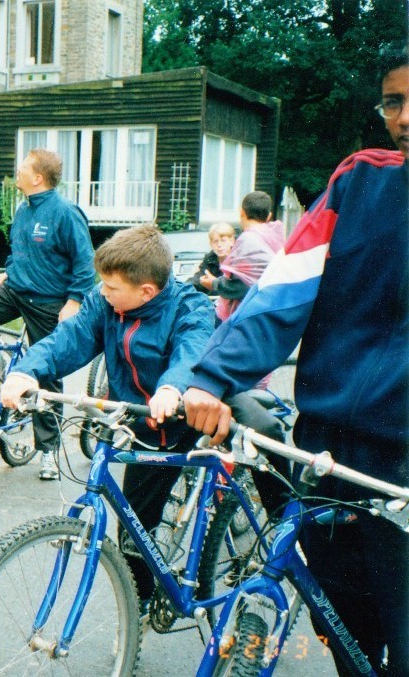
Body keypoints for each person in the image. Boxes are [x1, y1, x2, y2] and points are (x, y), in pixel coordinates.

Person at [183, 44, 409, 676]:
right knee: (345, 631)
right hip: (326, 450)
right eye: (393, 101)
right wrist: (211, 377)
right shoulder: (356, 183)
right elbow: (281, 293)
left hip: (403, 469)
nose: (405, 117)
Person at [0, 224, 215, 608]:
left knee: (243, 447)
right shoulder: (106, 304)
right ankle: (140, 606)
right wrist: (25, 372)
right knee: (135, 529)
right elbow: (69, 338)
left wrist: (171, 388)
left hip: (184, 420)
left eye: (112, 287)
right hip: (141, 424)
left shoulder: (190, 306)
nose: (103, 292)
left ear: (146, 291)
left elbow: (192, 350)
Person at [0, 148, 96, 480]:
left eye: (23, 167)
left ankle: (48, 451)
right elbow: (21, 251)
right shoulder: (23, 209)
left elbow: (85, 262)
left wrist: (74, 302)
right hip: (14, 291)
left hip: (47, 301)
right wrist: (10, 271)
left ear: (37, 178)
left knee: (45, 372)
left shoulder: (65, 213)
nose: (17, 170)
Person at [199, 191, 285, 322]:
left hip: (247, 317)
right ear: (269, 216)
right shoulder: (276, 236)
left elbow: (242, 286)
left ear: (242, 212)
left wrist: (214, 283)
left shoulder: (248, 239)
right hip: (270, 310)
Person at [186, 221, 236, 293]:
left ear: (232, 241)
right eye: (215, 241)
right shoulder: (210, 258)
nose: (219, 245)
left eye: (223, 241)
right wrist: (184, 288)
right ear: (210, 244)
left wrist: (215, 283)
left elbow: (237, 286)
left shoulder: (239, 259)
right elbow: (198, 279)